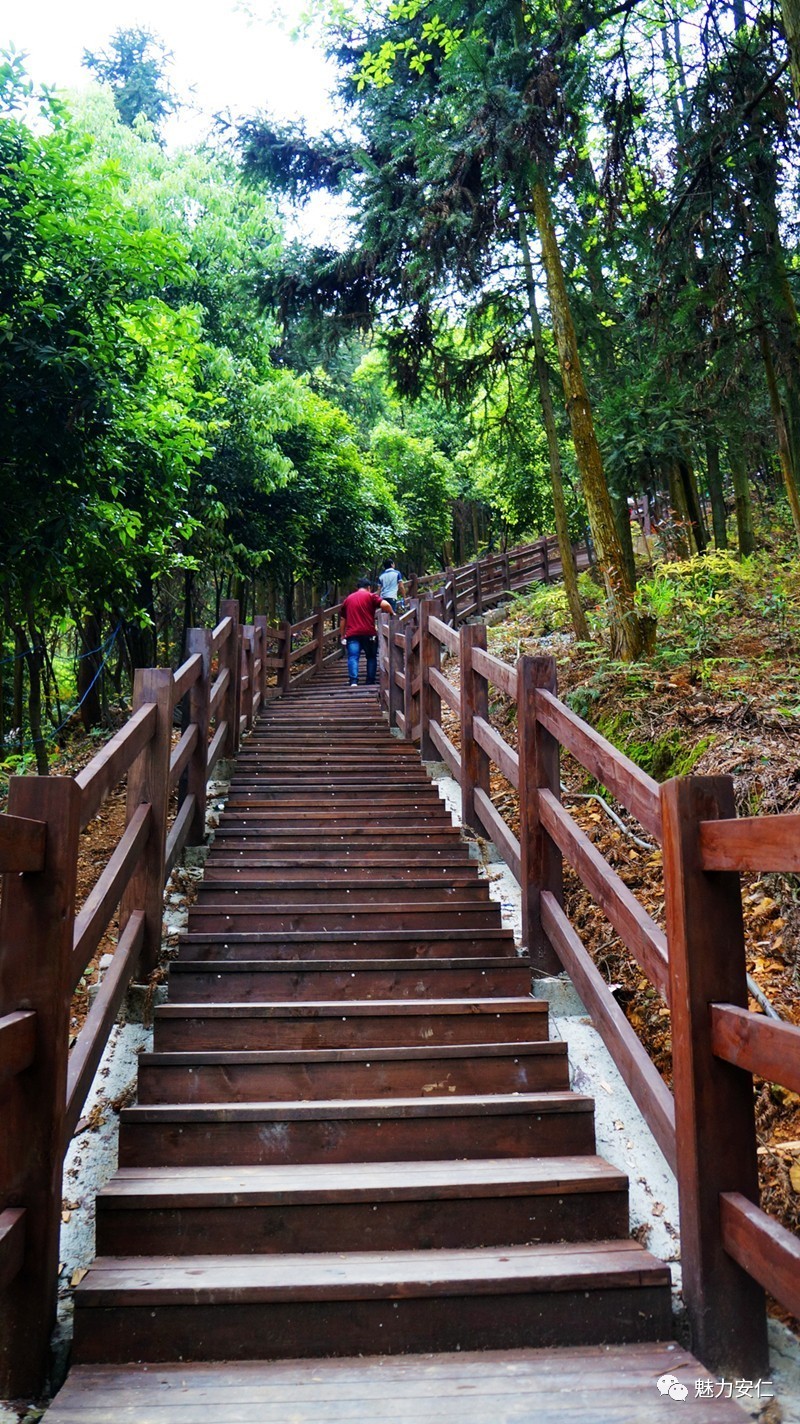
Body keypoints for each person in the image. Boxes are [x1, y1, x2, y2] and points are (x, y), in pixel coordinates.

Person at [339, 579, 394, 686]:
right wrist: (392, 612)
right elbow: (385, 604)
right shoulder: (370, 596)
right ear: (369, 587)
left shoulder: (348, 599)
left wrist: (342, 635)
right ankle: (370, 680)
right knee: (371, 656)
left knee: (353, 657)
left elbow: (342, 619)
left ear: (357, 588)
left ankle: (353, 681)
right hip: (369, 633)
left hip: (352, 634)